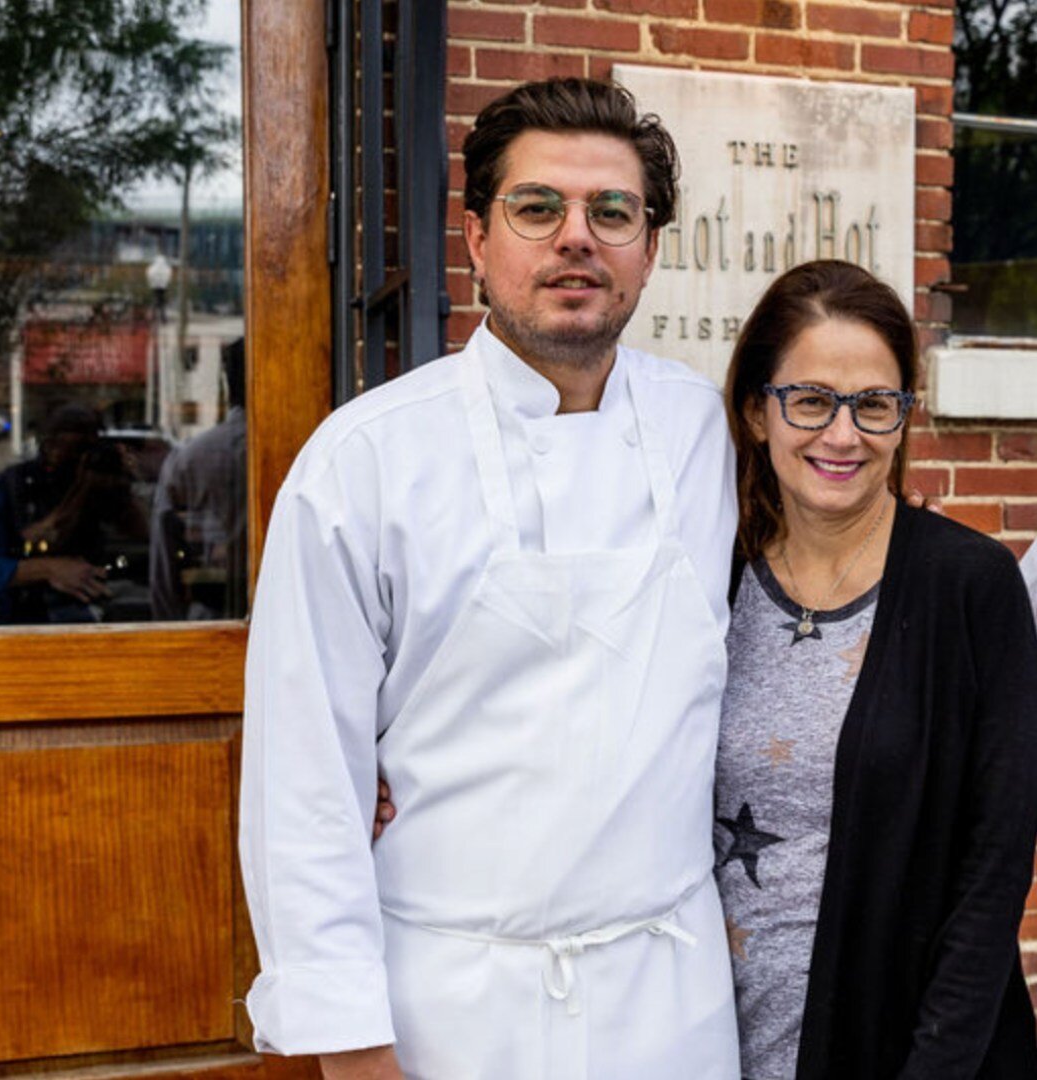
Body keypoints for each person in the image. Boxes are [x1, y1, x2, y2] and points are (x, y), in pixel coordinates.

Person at [239, 78, 741, 1080]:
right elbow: (304, 785)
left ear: (648, 247)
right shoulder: (364, 461)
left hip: (673, 996)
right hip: (451, 1009)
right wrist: (349, 1046)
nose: (577, 238)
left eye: (614, 212)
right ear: (475, 237)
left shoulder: (708, 433)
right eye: (536, 207)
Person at [717, 259, 1037, 1078]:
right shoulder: (705, 584)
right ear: (757, 412)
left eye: (873, 405)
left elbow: (994, 862)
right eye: (811, 400)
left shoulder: (970, 586)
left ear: (903, 416)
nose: (842, 434)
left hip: (909, 1050)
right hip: (712, 1035)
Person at [0, 403, 147, 623]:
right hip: (28, 615)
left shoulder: (101, 480)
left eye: (86, 448)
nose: (77, 458)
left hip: (101, 605)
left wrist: (122, 484)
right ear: (48, 445)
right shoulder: (19, 483)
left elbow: (143, 535)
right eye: (70, 448)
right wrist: (47, 569)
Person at [149, 337, 247, 620]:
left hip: (210, 621)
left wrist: (168, 632)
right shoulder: (307, 452)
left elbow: (163, 565)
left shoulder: (189, 458)